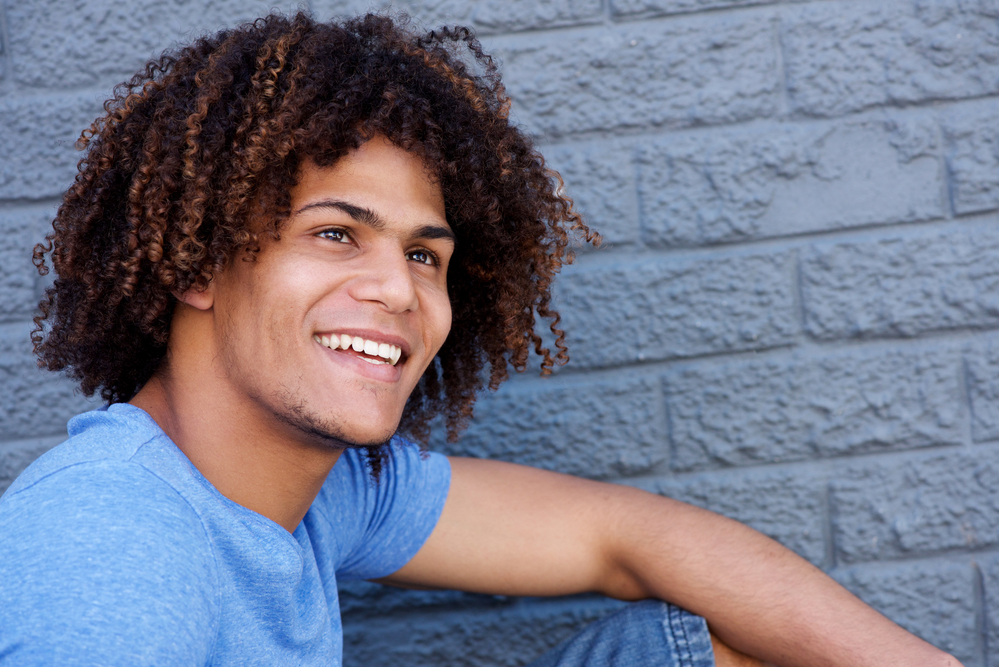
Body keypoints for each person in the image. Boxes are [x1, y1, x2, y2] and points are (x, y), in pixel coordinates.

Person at [0, 12, 961, 667]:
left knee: (716, 644)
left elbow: (623, 538)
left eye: (425, 255)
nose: (397, 289)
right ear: (194, 267)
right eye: (335, 234)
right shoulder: (112, 541)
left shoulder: (318, 486)